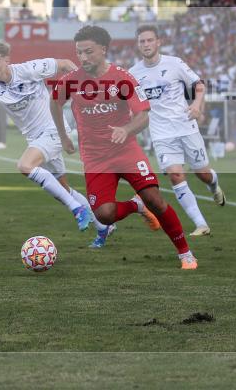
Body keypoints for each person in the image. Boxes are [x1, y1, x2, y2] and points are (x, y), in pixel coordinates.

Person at [49, 25, 198, 269]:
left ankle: (185, 253)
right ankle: (135, 205)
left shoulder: (123, 77)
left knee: (155, 200)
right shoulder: (71, 81)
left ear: (103, 49)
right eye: (79, 53)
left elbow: (143, 115)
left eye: (88, 52)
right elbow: (54, 104)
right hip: (95, 158)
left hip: (126, 151)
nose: (83, 58)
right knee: (104, 214)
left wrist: (126, 130)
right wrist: (63, 136)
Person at [0, 41, 110, 241]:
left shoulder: (29, 69)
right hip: (36, 139)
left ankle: (77, 210)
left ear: (6, 60)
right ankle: (103, 227)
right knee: (64, 190)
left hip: (54, 130)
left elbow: (65, 64)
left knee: (25, 165)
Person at [128, 24, 224, 237]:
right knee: (176, 175)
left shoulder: (174, 63)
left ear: (158, 42)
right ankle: (201, 224)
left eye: (149, 40)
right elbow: (131, 103)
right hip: (161, 134)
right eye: (142, 41)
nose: (146, 44)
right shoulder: (133, 73)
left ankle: (214, 184)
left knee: (203, 173)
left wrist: (197, 105)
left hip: (186, 126)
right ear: (138, 45)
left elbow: (199, 85)